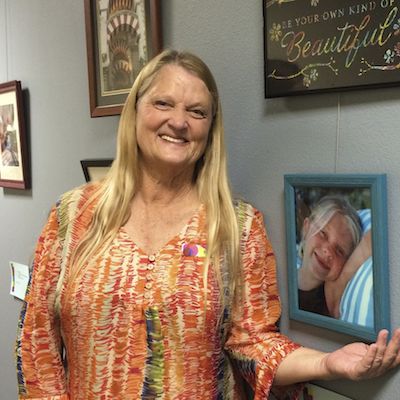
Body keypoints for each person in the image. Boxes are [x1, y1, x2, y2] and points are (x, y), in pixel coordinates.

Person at [16, 50, 400, 400]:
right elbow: (37, 345)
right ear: (134, 112)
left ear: (210, 128)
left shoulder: (238, 226)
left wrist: (328, 363)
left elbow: (254, 343)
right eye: (163, 103)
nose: (179, 122)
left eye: (197, 112)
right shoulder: (73, 214)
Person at [297, 195, 363, 316]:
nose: (327, 250)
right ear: (306, 228)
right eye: (323, 233)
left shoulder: (331, 297)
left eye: (339, 250)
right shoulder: (279, 272)